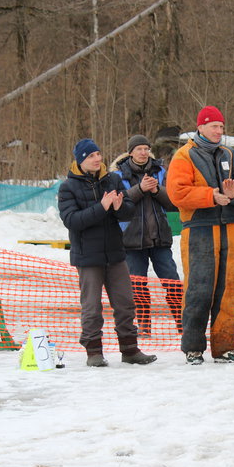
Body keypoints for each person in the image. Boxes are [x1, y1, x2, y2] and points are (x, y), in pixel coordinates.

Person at [166, 106, 234, 365]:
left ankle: (225, 347)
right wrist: (211, 196)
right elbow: (177, 192)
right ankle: (193, 348)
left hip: (231, 228)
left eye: (221, 126)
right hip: (199, 230)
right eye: (214, 126)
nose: (219, 131)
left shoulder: (229, 154)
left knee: (231, 290)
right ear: (201, 127)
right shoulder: (184, 155)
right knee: (199, 290)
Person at [58, 138, 157, 367]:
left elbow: (129, 211)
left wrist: (119, 208)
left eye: (98, 154)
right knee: (92, 308)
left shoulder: (112, 179)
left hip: (115, 254)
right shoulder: (68, 187)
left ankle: (130, 350)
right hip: (88, 257)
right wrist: (101, 207)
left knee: (125, 304)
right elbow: (72, 221)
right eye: (91, 156)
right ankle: (94, 352)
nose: (97, 159)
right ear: (81, 160)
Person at [111, 134, 183, 337]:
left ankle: (182, 323)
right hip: (131, 240)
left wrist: (157, 190)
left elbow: (173, 202)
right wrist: (140, 189)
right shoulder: (118, 175)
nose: (143, 153)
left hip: (160, 238)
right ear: (130, 152)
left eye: (146, 149)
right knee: (137, 287)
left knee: (172, 282)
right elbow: (119, 203)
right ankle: (144, 326)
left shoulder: (161, 172)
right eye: (139, 149)